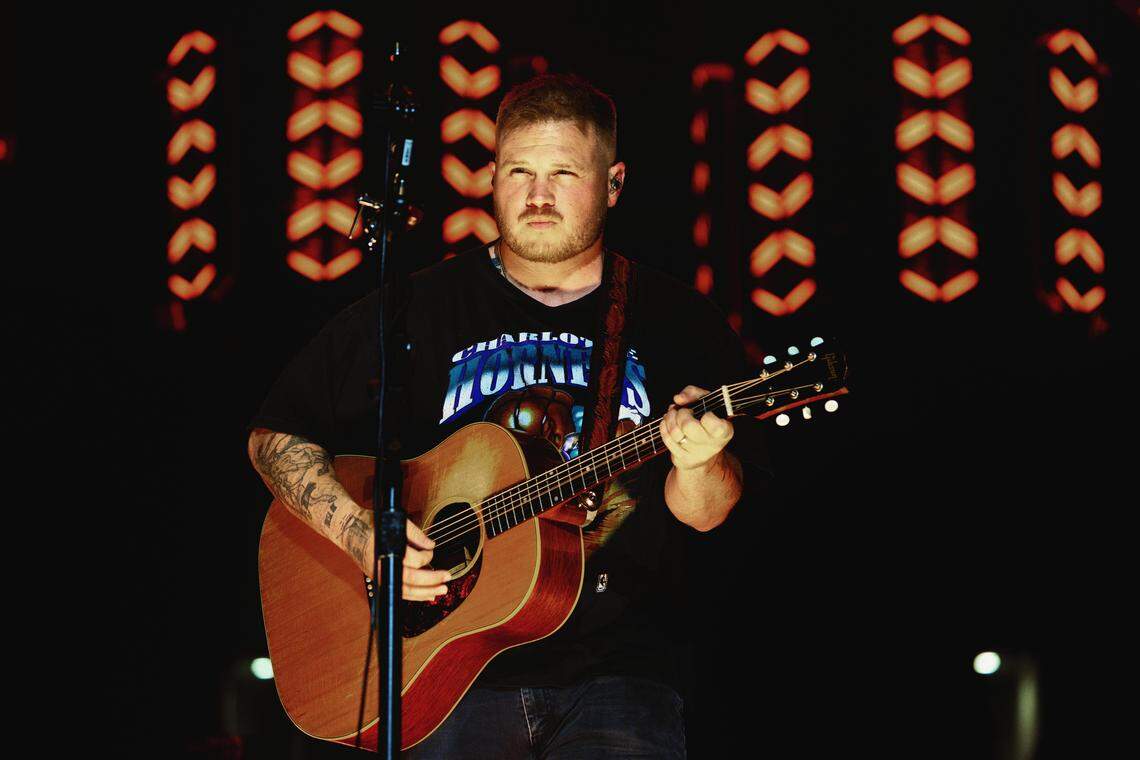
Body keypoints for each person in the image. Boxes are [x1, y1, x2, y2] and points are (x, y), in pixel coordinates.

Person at [247, 72, 774, 759]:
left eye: (564, 172)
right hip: (442, 676)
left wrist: (699, 458)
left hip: (619, 677)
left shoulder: (677, 321)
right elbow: (275, 436)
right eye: (519, 170)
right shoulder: (416, 308)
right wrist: (357, 533)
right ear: (491, 176)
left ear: (613, 184)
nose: (538, 195)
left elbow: (704, 513)